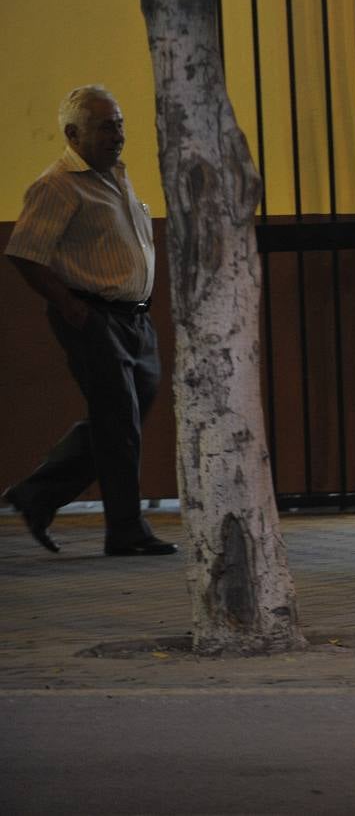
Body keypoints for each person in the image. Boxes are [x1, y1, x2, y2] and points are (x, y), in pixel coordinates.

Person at [2, 85, 177, 556]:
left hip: (133, 320)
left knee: (120, 419)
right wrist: (71, 306)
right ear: (73, 133)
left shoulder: (115, 175)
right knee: (118, 421)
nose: (117, 134)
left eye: (118, 123)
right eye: (105, 126)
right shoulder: (57, 185)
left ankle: (36, 495)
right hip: (92, 316)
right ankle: (125, 530)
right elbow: (24, 253)